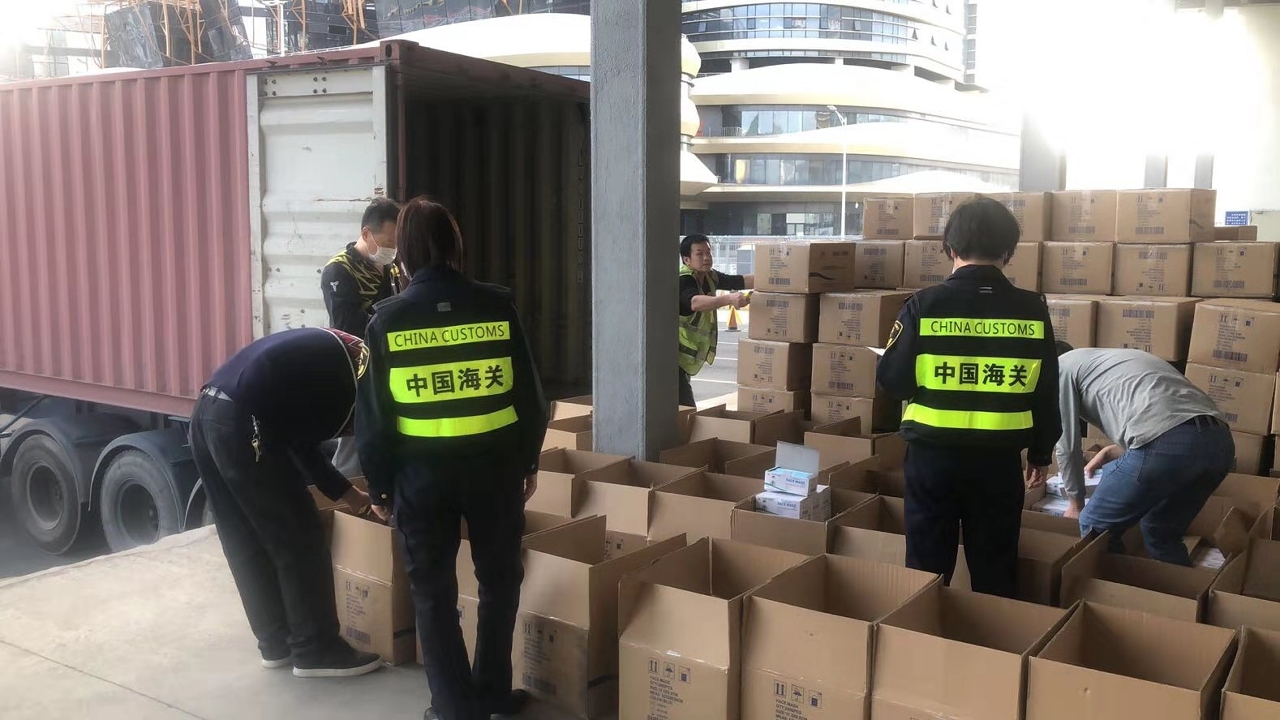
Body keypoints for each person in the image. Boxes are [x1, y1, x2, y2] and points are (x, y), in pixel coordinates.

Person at [356, 198, 548, 720]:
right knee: (499, 583)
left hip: (420, 480)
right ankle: (492, 694)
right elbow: (531, 397)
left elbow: (373, 418)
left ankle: (453, 707)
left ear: (404, 254)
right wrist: (529, 463)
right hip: (495, 473)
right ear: (455, 246)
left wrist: (378, 488)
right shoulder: (497, 307)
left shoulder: (387, 320)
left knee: (433, 592)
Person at [876, 197, 1060, 598]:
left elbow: (893, 382)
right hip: (998, 463)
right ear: (1008, 252)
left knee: (926, 567)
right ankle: (990, 634)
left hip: (932, 460)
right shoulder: (1032, 310)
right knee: (995, 567)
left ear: (950, 248)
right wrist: (1041, 453)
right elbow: (1047, 389)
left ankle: (921, 629)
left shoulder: (923, 306)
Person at [188, 327, 383, 678]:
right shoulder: (361, 383)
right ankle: (316, 649)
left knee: (244, 535)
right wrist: (365, 493)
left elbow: (298, 435)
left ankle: (277, 642)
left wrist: (347, 494)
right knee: (299, 535)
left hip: (206, 413)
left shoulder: (342, 354)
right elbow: (304, 446)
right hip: (245, 423)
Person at [1055, 344, 1234, 565]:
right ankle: (1176, 587)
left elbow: (1067, 444)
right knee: (1160, 531)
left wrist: (1075, 502)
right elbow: (1174, 418)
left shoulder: (1060, 368)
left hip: (1170, 441)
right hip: (1219, 442)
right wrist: (1115, 449)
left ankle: (1115, 586)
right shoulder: (1108, 359)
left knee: (1095, 524)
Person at [321, 197, 402, 477]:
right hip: (356, 367)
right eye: (389, 241)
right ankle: (348, 495)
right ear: (367, 233)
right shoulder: (339, 269)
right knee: (355, 444)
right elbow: (348, 325)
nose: (393, 249)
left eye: (397, 242)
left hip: (388, 367)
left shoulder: (391, 268)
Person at [679, 234, 752, 408]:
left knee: (681, 407)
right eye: (700, 254)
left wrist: (775, 276)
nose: (706, 257)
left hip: (684, 358)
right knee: (686, 408)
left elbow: (739, 281)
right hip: (670, 355)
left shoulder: (710, 277)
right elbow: (694, 302)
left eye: (708, 252)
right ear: (687, 260)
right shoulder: (684, 279)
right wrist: (728, 299)